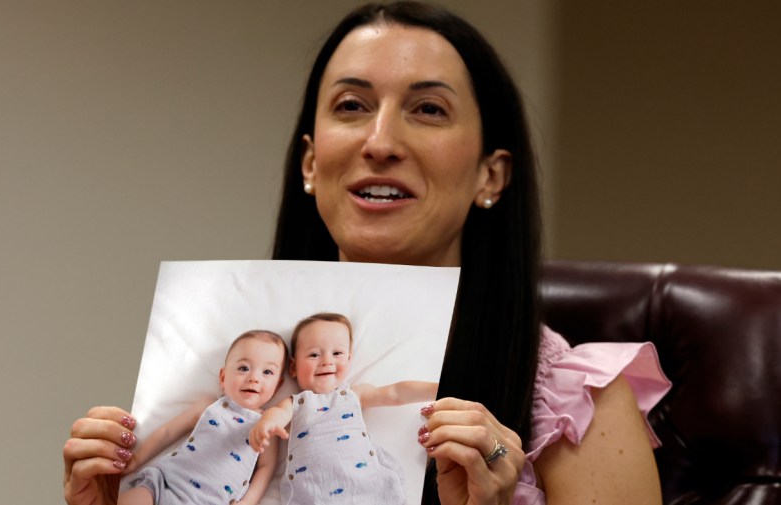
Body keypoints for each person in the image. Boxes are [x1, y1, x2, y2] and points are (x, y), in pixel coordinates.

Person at [63, 2, 671, 504]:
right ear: (310, 163)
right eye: (352, 107)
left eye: (428, 109)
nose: (380, 142)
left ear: (492, 175)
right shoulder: (245, 372)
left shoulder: (577, 400)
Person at [248, 313, 438, 504]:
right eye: (314, 354)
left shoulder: (353, 395)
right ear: (293, 367)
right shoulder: (297, 403)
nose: (326, 361)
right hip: (313, 492)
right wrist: (268, 423)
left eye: (337, 353)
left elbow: (396, 393)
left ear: (348, 358)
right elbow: (278, 413)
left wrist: (440, 389)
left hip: (364, 485)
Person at [117, 330, 288, 505]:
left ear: (278, 385)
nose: (254, 378)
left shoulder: (267, 423)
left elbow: (266, 468)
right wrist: (137, 460)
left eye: (267, 372)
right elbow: (167, 432)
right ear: (223, 377)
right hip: (165, 484)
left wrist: (247, 502)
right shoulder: (209, 406)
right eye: (243, 368)